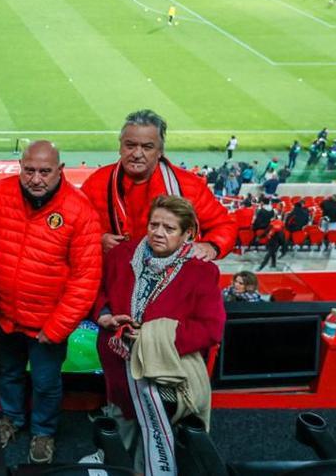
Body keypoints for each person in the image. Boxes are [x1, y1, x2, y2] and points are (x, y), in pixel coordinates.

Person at [0, 141, 101, 464]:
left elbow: (85, 279)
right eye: (29, 170)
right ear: (20, 167)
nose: (36, 179)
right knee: (8, 372)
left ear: (60, 171)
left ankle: (43, 432)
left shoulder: (80, 210)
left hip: (47, 323)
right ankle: (11, 419)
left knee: (46, 383)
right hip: (6, 314)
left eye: (45, 171)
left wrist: (57, 327)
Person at [94, 196, 225, 473]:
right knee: (120, 411)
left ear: (187, 233)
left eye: (169, 228)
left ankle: (146, 468)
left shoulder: (202, 272)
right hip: (118, 358)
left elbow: (210, 328)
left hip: (161, 368)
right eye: (154, 224)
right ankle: (113, 460)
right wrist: (104, 314)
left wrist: (152, 339)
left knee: (155, 428)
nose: (158, 233)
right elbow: (100, 292)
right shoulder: (121, 254)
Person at [81, 110, 236, 261]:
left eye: (147, 147)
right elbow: (72, 226)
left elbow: (224, 225)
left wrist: (211, 246)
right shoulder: (97, 181)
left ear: (160, 151)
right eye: (130, 145)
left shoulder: (189, 185)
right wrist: (98, 239)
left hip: (172, 282)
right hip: (115, 278)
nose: (137, 154)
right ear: (120, 147)